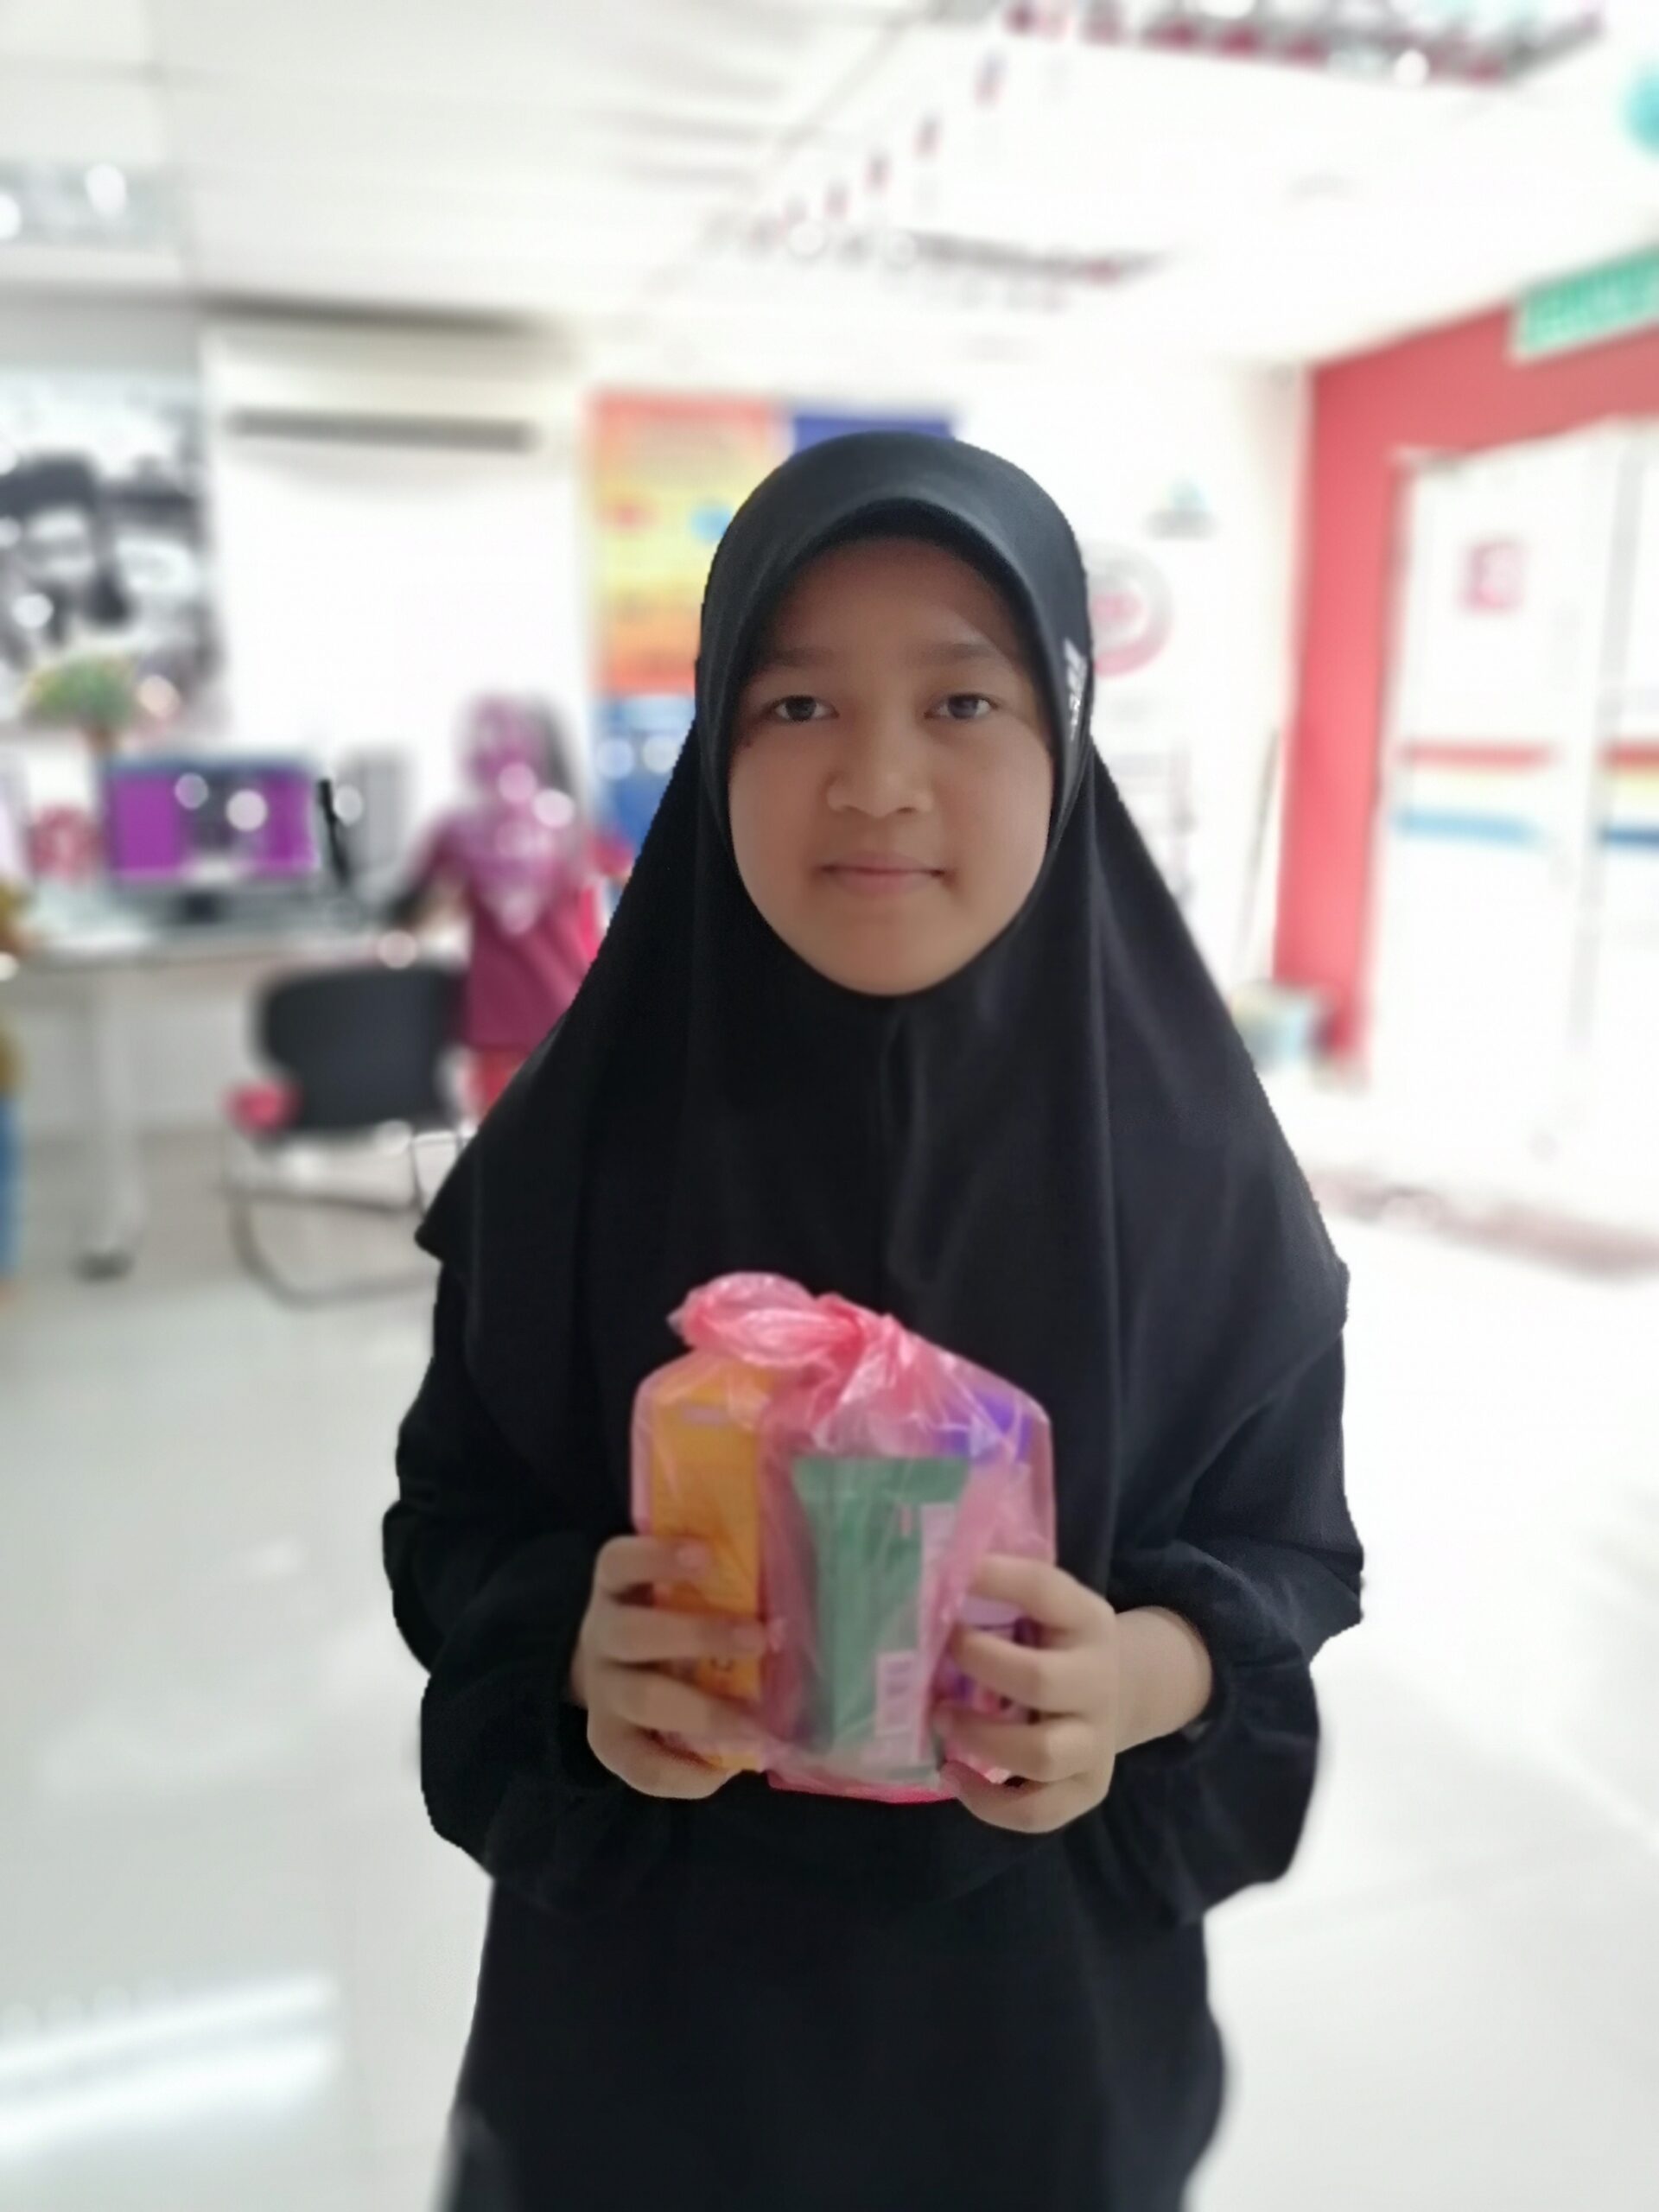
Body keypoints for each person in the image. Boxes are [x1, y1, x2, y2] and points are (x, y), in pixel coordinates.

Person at [385, 435, 1363, 2212]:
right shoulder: (575, 1159)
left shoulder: (1199, 1175)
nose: (879, 781)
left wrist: (1140, 1678)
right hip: (648, 2039)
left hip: (1042, 2040)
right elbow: (454, 1524)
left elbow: (1288, 1553)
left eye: (964, 701)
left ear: (1068, 733)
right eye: (797, 706)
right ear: (713, 741)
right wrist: (579, 1650)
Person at [389, 698, 622, 1116]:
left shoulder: (456, 832)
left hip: (499, 1012)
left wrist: (460, 899)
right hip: (562, 1000)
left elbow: (412, 918)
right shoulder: (570, 825)